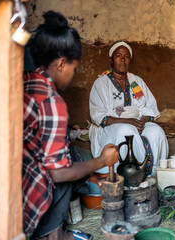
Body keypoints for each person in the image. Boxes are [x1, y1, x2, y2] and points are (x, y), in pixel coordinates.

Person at [22, 11, 118, 240]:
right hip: (30, 191)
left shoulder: (26, 80)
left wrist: (90, 173)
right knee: (69, 171)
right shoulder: (52, 101)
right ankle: (53, 234)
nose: (74, 76)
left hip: (14, 178)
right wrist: (102, 161)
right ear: (62, 63)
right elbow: (59, 173)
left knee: (74, 154)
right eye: (74, 70)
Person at [89, 41, 168, 176]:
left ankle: (152, 174)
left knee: (156, 131)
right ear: (111, 60)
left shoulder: (137, 81)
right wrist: (129, 122)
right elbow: (99, 117)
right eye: (118, 56)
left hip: (137, 122)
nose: (122, 60)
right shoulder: (100, 83)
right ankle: (129, 175)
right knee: (126, 130)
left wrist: (141, 122)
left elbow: (150, 107)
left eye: (126, 57)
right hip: (112, 126)